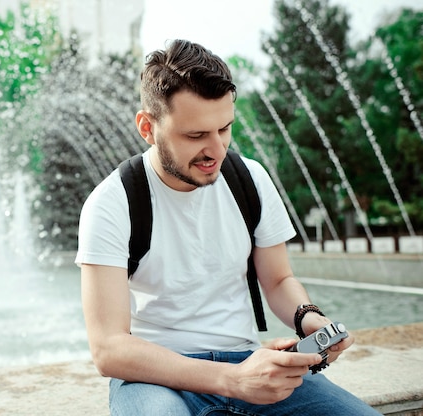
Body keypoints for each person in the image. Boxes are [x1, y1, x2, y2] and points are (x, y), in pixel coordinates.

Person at [75, 39, 380, 415]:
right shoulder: (112, 202)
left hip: (247, 361)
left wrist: (309, 320)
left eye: (224, 128)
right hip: (155, 375)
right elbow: (108, 348)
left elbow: (278, 281)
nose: (217, 149)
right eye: (196, 135)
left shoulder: (249, 179)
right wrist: (230, 379)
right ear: (147, 127)